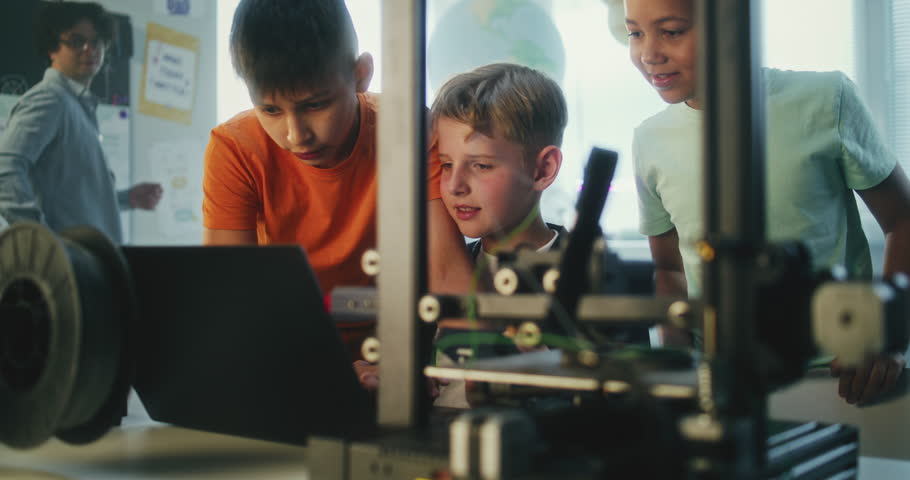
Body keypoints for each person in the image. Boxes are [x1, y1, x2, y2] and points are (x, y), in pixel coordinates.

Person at [622, 0, 910, 404]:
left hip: (837, 378)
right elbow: (670, 269)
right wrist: (677, 361)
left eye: (671, 31)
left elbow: (902, 219)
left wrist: (884, 336)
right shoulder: (648, 140)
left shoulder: (827, 98)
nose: (648, 54)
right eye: (635, 32)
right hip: (719, 385)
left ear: (731, 25)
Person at [203, 0, 474, 391]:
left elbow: (448, 275)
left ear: (360, 74)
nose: (296, 135)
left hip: (402, 352)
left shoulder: (408, 129)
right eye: (270, 109)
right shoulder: (235, 149)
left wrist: (449, 376)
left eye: (315, 105)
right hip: (285, 359)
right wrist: (318, 374)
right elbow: (231, 302)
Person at [429, 63, 568, 407]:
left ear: (543, 169)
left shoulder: (596, 279)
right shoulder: (444, 269)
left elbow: (622, 413)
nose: (455, 185)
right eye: (446, 164)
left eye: (481, 165)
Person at [0, 1, 162, 244]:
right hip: (69, 267)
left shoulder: (77, 106)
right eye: (76, 41)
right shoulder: (49, 99)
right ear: (52, 49)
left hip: (92, 264)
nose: (90, 49)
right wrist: (41, 238)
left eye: (96, 41)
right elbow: (5, 168)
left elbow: (73, 203)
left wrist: (128, 199)